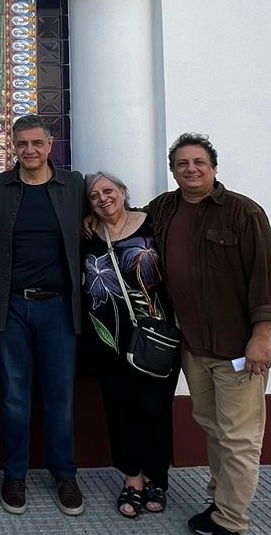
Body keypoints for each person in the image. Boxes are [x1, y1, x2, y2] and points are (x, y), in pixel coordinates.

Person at [145, 134, 271, 535]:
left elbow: (267, 279)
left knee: (239, 438)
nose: (191, 169)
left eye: (199, 162)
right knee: (213, 428)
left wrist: (261, 337)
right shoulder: (164, 209)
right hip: (193, 347)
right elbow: (128, 223)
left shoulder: (243, 212)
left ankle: (231, 521)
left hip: (238, 347)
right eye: (182, 164)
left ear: (213, 168)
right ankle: (221, 501)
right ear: (173, 171)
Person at [0, 114, 86, 516]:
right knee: (14, 398)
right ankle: (15, 475)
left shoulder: (74, 186)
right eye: (22, 144)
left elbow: (108, 214)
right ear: (14, 146)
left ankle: (65, 475)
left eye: (37, 143)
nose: (30, 150)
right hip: (13, 308)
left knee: (60, 397)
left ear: (49, 145)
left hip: (58, 308)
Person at [81, 171, 178, 519]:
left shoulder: (153, 224)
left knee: (154, 409)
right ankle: (133, 478)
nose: (103, 198)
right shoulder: (88, 234)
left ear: (123, 192)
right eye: (94, 196)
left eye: (108, 190)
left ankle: (157, 477)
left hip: (154, 338)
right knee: (119, 410)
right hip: (108, 340)